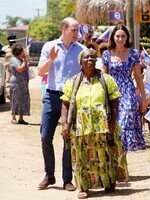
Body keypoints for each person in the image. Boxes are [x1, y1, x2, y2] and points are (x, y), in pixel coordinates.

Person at [60, 48, 128, 199]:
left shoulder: (106, 79)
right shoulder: (72, 82)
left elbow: (114, 101)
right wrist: (64, 124)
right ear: (80, 61)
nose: (90, 59)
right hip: (81, 125)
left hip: (104, 123)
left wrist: (112, 121)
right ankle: (84, 187)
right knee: (82, 156)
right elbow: (65, 104)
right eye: (86, 57)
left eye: (93, 57)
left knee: (107, 153)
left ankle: (109, 182)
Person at [37, 17, 86, 191]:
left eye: (77, 30)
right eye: (74, 30)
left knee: (68, 138)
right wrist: (50, 60)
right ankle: (49, 176)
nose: (77, 33)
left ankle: (67, 179)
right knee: (45, 137)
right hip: (51, 96)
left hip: (72, 100)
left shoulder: (82, 50)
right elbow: (40, 72)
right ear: (64, 28)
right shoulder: (49, 46)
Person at [102, 24, 147, 151]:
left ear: (127, 37)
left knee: (125, 122)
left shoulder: (133, 53)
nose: (120, 39)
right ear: (113, 37)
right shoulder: (107, 54)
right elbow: (104, 77)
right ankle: (117, 162)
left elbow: (138, 77)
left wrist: (143, 99)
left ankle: (122, 159)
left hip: (128, 92)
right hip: (112, 92)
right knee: (113, 125)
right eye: (118, 36)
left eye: (123, 36)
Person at [9, 44, 30, 124]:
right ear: (20, 52)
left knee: (23, 100)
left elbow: (26, 67)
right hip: (16, 83)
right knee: (15, 100)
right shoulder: (13, 60)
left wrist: (25, 60)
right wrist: (25, 61)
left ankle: (21, 118)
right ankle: (13, 118)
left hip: (23, 83)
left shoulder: (21, 59)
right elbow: (20, 69)